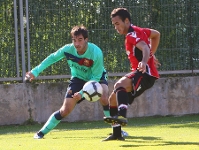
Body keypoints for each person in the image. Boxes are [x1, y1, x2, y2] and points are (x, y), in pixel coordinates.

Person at [25, 25, 111, 139]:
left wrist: (81, 93)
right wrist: (35, 72)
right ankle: (41, 133)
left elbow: (95, 78)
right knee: (65, 110)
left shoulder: (96, 52)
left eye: (80, 40)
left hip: (96, 78)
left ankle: (117, 128)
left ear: (86, 39)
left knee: (104, 97)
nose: (77, 44)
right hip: (78, 79)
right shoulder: (68, 49)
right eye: (74, 40)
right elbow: (52, 58)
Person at [103, 8, 161, 141]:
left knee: (119, 85)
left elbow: (145, 48)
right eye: (114, 25)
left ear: (127, 21)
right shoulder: (140, 30)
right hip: (142, 73)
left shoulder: (131, 35)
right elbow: (156, 34)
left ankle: (122, 115)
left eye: (117, 23)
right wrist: (151, 55)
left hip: (144, 73)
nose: (116, 27)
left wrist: (145, 60)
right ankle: (116, 133)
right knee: (112, 99)